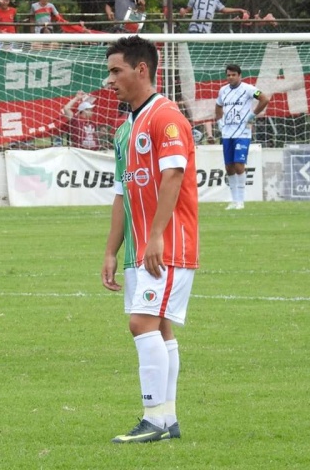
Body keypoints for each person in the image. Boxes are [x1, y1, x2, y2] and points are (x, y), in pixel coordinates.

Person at [101, 35, 199, 444]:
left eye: (116, 71)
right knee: (160, 329)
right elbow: (122, 193)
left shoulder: (166, 116)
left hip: (167, 244)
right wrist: (111, 250)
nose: (109, 80)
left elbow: (173, 175)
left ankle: (153, 419)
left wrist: (156, 236)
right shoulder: (125, 129)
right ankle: (167, 419)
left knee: (141, 323)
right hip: (140, 249)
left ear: (141, 69)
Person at [214, 63, 270, 210]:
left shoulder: (248, 89)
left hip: (242, 133)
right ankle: (233, 201)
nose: (230, 77)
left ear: (240, 76)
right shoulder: (223, 90)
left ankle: (240, 201)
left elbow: (264, 99)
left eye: (233, 75)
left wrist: (252, 115)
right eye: (228, 75)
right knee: (229, 167)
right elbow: (218, 106)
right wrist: (219, 121)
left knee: (239, 165)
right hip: (227, 133)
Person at [179, 0, 249, 33]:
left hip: (206, 30)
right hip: (193, 29)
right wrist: (182, 10)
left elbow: (223, 9)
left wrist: (239, 10)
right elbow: (187, 10)